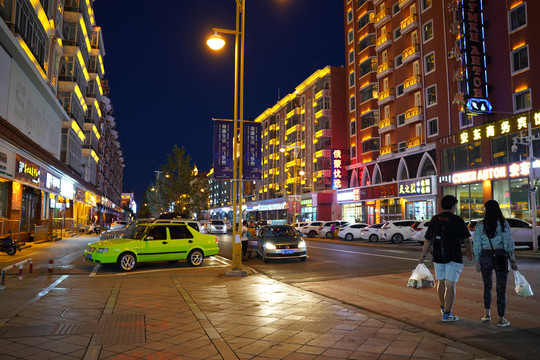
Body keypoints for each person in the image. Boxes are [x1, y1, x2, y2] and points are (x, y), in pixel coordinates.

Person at [419, 195, 473, 322]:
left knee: (441, 282)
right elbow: (467, 239)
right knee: (450, 284)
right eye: (455, 205)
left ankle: (443, 309)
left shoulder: (435, 219)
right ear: (453, 206)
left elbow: (427, 239)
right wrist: (470, 251)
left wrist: (422, 256)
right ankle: (447, 314)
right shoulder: (457, 220)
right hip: (453, 256)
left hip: (438, 256)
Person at [472, 200, 518, 327]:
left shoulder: (480, 225)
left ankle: (486, 314)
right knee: (501, 288)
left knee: (487, 286)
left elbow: (477, 243)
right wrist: (513, 260)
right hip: (501, 256)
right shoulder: (503, 224)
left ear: (486, 210)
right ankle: (501, 318)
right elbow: (508, 243)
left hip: (485, 256)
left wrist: (477, 260)